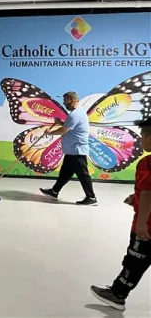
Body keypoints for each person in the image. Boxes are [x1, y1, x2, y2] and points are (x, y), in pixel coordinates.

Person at [90, 118, 151, 311]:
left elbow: (149, 193)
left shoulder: (147, 163)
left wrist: (142, 225)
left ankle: (117, 295)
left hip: (147, 227)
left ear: (149, 138)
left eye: (142, 136)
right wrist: (136, 197)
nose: (141, 140)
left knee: (135, 260)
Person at [40, 91, 97, 205]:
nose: (64, 103)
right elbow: (70, 127)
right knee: (65, 173)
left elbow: (64, 130)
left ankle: (91, 197)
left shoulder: (75, 114)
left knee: (83, 175)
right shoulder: (77, 114)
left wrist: (50, 132)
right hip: (72, 151)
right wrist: (61, 122)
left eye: (65, 100)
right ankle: (54, 191)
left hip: (77, 151)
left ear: (72, 100)